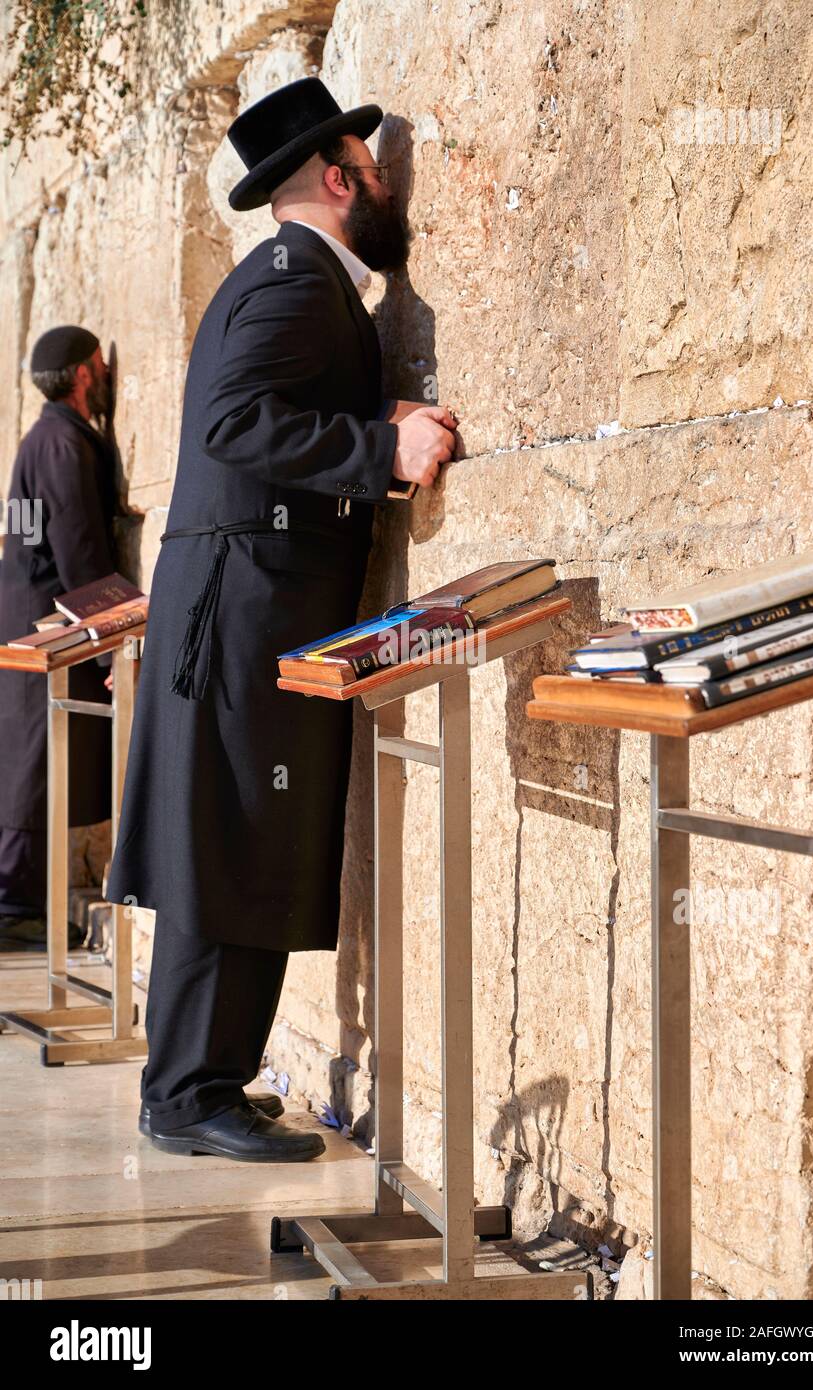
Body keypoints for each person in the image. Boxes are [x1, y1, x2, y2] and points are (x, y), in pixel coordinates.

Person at [106, 77, 457, 1161]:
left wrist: (366, 422)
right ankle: (183, 1093)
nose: (389, 184)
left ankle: (203, 1077)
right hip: (245, 606)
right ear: (341, 178)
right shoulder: (295, 279)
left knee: (237, 838)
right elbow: (233, 421)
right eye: (374, 166)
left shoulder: (293, 279)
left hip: (249, 600)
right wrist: (377, 450)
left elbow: (271, 409)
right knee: (227, 840)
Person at [0, 326, 117, 948]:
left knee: (30, 755)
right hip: (53, 622)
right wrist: (113, 625)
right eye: (99, 366)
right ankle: (12, 903)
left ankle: (17, 898)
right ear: (80, 375)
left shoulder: (44, 437)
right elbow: (79, 548)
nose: (104, 377)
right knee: (36, 760)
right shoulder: (62, 445)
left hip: (30, 616)